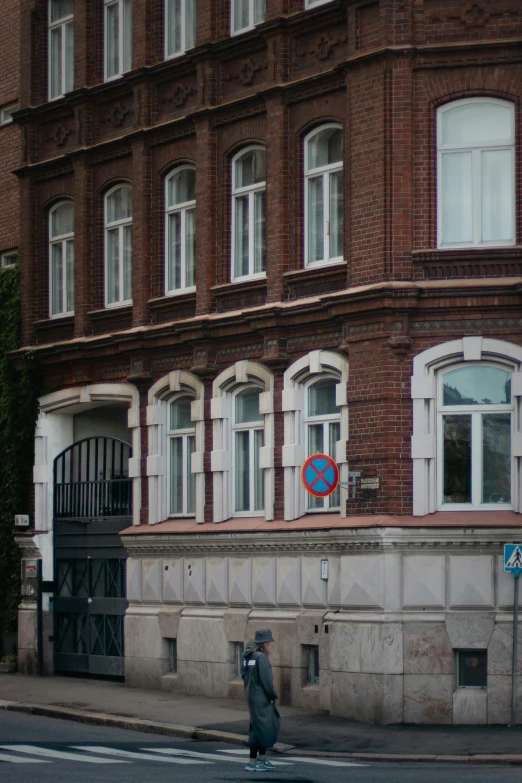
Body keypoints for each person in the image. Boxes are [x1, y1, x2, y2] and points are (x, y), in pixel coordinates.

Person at [242, 629, 280, 772]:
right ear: (264, 644)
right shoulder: (262, 658)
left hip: (252, 695)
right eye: (269, 642)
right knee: (262, 728)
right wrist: (272, 695)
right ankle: (253, 762)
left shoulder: (249, 656)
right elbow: (266, 680)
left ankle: (261, 759)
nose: (271, 644)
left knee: (260, 726)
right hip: (261, 697)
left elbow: (243, 675)